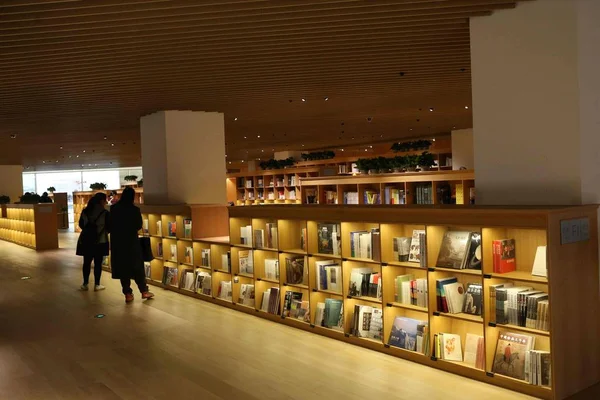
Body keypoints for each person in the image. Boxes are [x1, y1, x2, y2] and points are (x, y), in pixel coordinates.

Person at [110, 187, 154, 302]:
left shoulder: (114, 209)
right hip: (131, 242)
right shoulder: (134, 210)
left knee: (123, 268)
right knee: (137, 267)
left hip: (118, 243)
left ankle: (128, 294)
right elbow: (138, 225)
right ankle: (144, 291)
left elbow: (109, 226)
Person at [76, 192, 109, 291]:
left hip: (87, 240)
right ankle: (97, 284)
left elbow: (81, 224)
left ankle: (85, 283)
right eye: (105, 200)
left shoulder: (85, 211)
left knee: (86, 262)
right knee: (98, 263)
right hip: (100, 240)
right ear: (102, 201)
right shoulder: (105, 213)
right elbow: (109, 227)